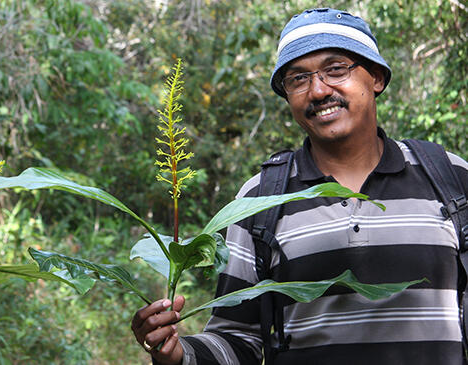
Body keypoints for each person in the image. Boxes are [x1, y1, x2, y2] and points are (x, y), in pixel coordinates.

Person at [131, 7, 468, 365]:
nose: (319, 90)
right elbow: (238, 339)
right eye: (298, 79)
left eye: (336, 69)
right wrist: (178, 354)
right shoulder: (260, 197)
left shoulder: (450, 176)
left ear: (377, 77)